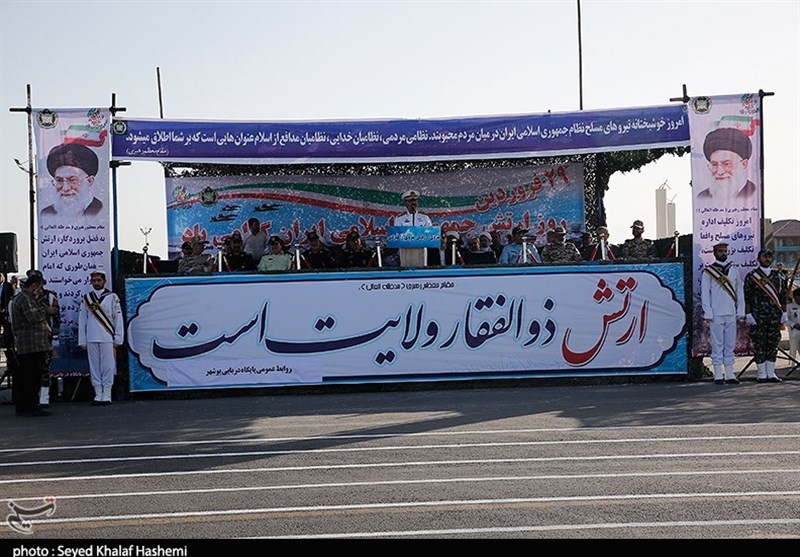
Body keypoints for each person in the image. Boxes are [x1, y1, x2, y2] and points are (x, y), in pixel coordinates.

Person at [10, 272, 56, 417]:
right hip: (31, 344)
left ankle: (25, 406)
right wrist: (46, 310)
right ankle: (30, 406)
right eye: (40, 288)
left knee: (28, 376)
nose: (41, 291)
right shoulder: (24, 299)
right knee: (31, 377)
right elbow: (33, 317)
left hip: (32, 344)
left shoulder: (26, 298)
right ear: (34, 286)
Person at [701, 242, 745, 385]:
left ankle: (730, 373)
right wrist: (708, 312)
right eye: (720, 251)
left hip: (731, 312)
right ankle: (718, 373)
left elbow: (739, 292)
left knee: (730, 344)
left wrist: (740, 310)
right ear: (714, 253)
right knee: (717, 343)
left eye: (725, 251)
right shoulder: (709, 272)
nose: (723, 253)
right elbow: (705, 293)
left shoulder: (734, 270)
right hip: (716, 312)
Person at [78, 268, 124, 405]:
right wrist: (82, 340)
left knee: (108, 366)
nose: (96, 283)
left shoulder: (112, 297)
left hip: (107, 336)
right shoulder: (87, 298)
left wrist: (118, 338)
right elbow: (82, 320)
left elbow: (118, 319)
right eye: (94, 280)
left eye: (99, 280)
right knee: (94, 367)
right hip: (91, 336)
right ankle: (98, 394)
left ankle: (107, 394)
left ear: (104, 281)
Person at [743, 249, 788, 383]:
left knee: (772, 343)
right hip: (758, 315)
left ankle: (771, 373)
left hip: (774, 315)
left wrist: (784, 312)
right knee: (759, 344)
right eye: (764, 257)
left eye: (769, 257)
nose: (767, 259)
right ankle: (761, 373)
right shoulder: (752, 276)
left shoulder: (778, 276)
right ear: (758, 259)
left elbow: (783, 296)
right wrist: (748, 314)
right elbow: (747, 297)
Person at [39, 142, 103, 217]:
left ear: (89, 181)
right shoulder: (47, 213)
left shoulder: (101, 211)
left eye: (73, 180)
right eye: (59, 180)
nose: (65, 188)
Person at [26, 270, 60, 407]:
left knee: (45, 367)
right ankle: (33, 398)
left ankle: (44, 398)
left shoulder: (50, 295)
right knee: (31, 368)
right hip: (29, 338)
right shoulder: (25, 297)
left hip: (46, 336)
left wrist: (55, 336)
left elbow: (57, 316)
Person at [697, 127, 756, 201]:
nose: (719, 172)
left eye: (727, 164)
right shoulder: (703, 197)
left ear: (744, 164)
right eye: (714, 164)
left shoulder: (754, 194)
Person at [391, 189, 432, 267]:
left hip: (421, 248)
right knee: (406, 269)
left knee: (421, 269)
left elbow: (430, 233)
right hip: (405, 249)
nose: (413, 203)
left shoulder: (424, 217)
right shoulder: (400, 218)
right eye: (410, 201)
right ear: (406, 203)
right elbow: (397, 235)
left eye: (415, 201)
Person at [786, 288, 800, 364]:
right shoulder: (789, 306)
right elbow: (786, 319)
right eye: (798, 296)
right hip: (795, 329)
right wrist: (794, 325)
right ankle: (793, 361)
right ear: (794, 297)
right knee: (795, 336)